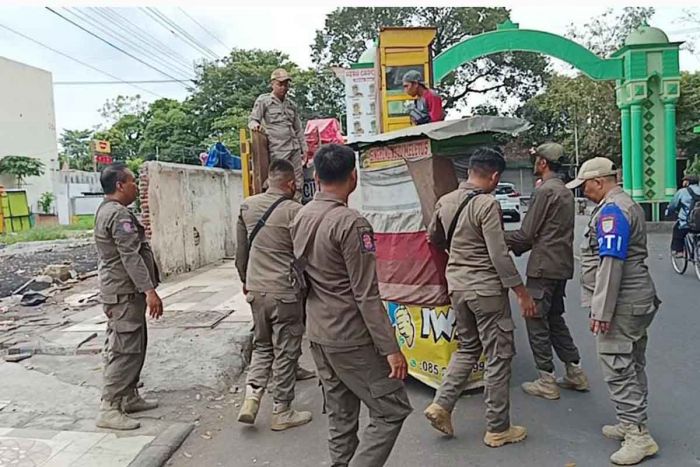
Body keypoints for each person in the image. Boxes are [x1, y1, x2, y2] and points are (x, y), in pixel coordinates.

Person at [291, 144, 412, 467]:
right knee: (392, 409)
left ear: (316, 177)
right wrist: (391, 348)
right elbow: (366, 294)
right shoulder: (352, 224)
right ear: (353, 177)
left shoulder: (301, 215)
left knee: (341, 413)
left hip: (319, 332)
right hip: (351, 336)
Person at [424, 147, 535, 447]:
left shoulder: (445, 201)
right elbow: (499, 255)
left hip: (457, 287)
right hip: (485, 290)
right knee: (498, 356)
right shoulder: (487, 204)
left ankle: (441, 404)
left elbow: (432, 238)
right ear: (495, 176)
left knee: (468, 348)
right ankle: (498, 427)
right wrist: (521, 292)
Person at [567, 157, 660, 465]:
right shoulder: (623, 204)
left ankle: (638, 436)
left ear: (599, 181)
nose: (583, 193)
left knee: (618, 365)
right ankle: (631, 421)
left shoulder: (612, 212)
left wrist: (602, 311)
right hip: (636, 298)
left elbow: (611, 264)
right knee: (631, 361)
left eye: (585, 186)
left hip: (622, 302)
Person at [505, 143, 589, 400]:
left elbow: (526, 233)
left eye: (536, 160)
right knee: (554, 318)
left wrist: (497, 237)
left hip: (543, 267)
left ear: (543, 163)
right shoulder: (563, 191)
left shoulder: (545, 192)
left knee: (535, 319)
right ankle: (574, 371)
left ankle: (546, 379)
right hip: (561, 265)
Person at [234, 159, 313, 431]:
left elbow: (240, 252)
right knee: (287, 350)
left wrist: (246, 280)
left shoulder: (247, 206)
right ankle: (282, 410)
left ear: (269, 180)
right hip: (285, 292)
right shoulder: (296, 211)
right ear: (290, 183)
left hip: (256, 290)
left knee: (263, 345)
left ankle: (252, 398)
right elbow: (305, 255)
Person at [94, 163, 162, 430]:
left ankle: (129, 395)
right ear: (120, 185)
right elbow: (130, 256)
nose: (136, 186)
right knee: (124, 350)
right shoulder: (117, 215)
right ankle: (109, 406)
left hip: (124, 291)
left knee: (135, 345)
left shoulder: (109, 210)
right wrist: (150, 291)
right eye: (133, 181)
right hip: (123, 292)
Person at [249, 68, 307, 201]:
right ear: (272, 84)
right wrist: (255, 127)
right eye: (280, 84)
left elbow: (298, 129)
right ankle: (278, 208)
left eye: (286, 84)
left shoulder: (291, 105)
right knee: (279, 181)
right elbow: (253, 120)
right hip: (278, 149)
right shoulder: (264, 101)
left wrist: (304, 148)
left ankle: (296, 207)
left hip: (294, 148)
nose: (284, 87)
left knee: (298, 182)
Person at [666, 175, 700, 256]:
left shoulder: (682, 192)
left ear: (687, 182)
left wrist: (668, 213)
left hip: (688, 223)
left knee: (677, 230)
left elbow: (673, 206)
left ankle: (679, 251)